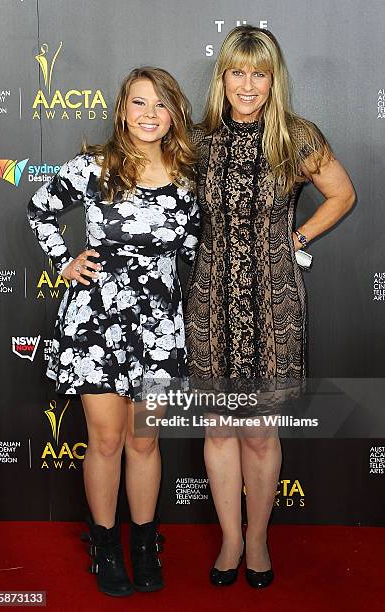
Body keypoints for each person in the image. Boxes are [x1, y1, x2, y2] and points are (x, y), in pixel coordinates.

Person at [185, 25, 355, 588]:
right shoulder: (197, 140)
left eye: (260, 73)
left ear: (274, 78)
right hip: (209, 303)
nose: (248, 84)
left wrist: (298, 238)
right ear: (223, 76)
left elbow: (342, 193)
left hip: (273, 302)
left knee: (259, 433)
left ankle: (257, 538)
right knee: (217, 431)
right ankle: (230, 539)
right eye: (238, 71)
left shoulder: (296, 137)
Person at [27, 66, 199, 597]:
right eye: (139, 103)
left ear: (175, 114)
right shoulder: (94, 166)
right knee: (104, 440)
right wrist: (64, 260)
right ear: (123, 107)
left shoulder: (190, 175)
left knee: (143, 441)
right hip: (96, 321)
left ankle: (145, 545)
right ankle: (104, 545)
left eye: (160, 105)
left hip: (160, 326)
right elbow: (40, 208)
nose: (150, 115)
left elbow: (196, 249)